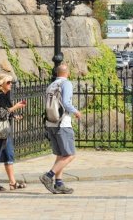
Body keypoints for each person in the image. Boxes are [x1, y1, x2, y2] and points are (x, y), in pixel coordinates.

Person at [40, 64, 81, 195]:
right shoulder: (66, 84)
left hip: (52, 122)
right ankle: (48, 176)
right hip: (63, 123)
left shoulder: (51, 85)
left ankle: (59, 183)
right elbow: (66, 102)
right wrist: (76, 112)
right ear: (67, 73)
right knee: (70, 155)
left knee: (61, 155)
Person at [0, 73, 27, 191]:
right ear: (1, 84)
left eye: (11, 82)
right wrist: (16, 107)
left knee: (9, 155)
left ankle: (13, 183)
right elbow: (2, 114)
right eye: (8, 83)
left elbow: (6, 112)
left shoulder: (5, 95)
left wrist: (15, 116)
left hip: (5, 130)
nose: (11, 85)